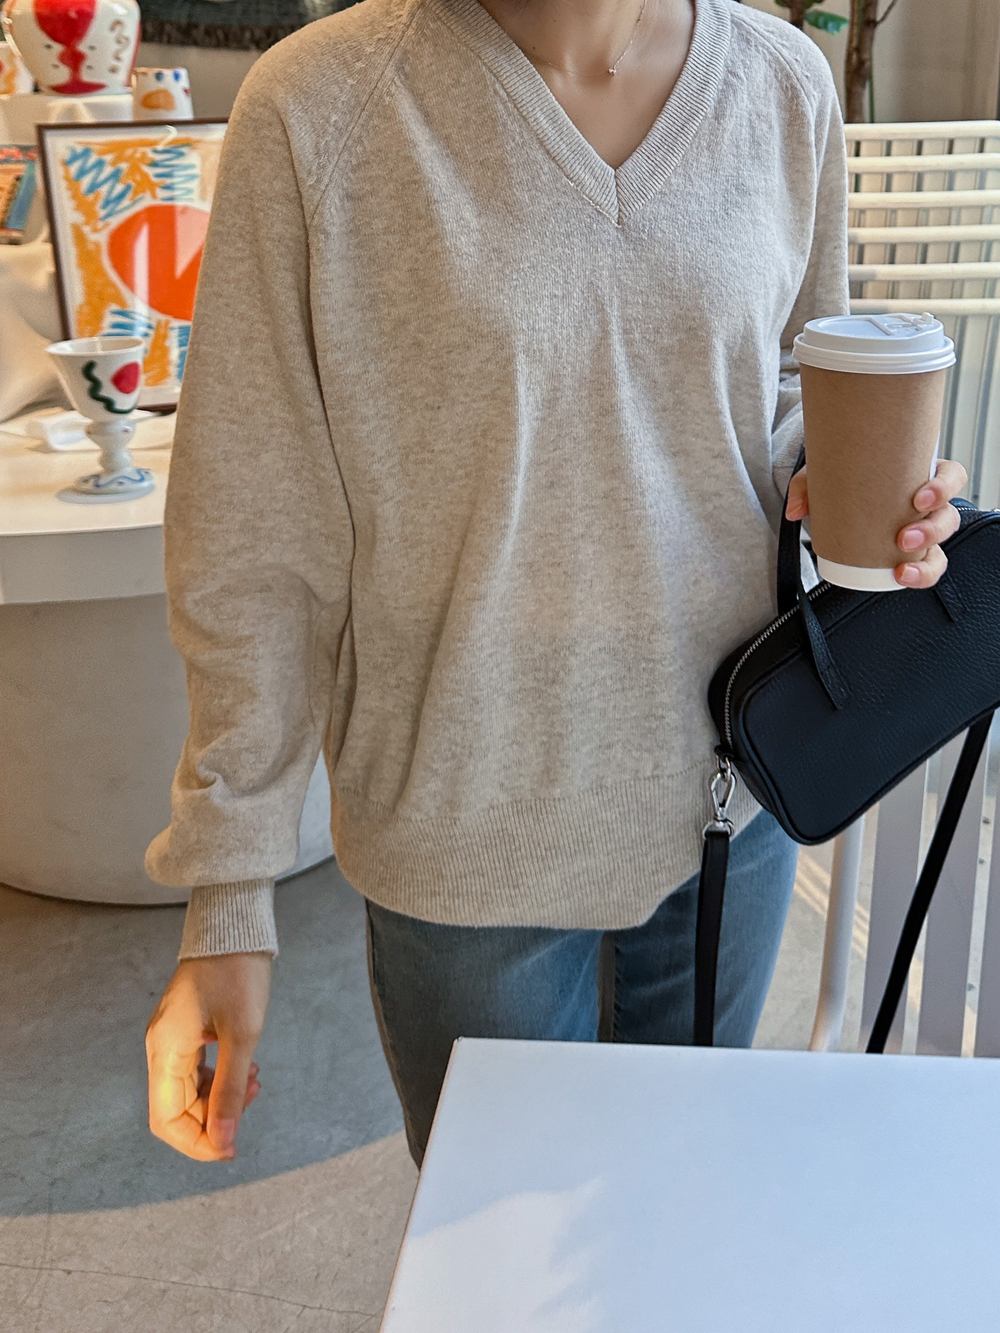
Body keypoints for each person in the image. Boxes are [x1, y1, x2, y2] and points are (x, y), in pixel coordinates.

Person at [144, 0, 966, 1165]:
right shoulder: (321, 107)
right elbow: (256, 525)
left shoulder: (784, 85)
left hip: (728, 806)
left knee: (681, 1203)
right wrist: (229, 892)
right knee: (505, 1246)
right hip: (465, 838)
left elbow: (782, 379)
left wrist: (850, 476)